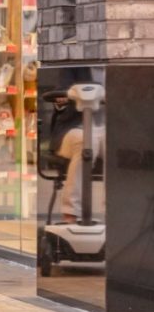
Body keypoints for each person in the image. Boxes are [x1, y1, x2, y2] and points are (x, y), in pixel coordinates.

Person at [50, 95, 105, 223]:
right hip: (75, 129)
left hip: (107, 128)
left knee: (117, 146)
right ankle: (71, 212)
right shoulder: (74, 74)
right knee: (86, 142)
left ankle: (115, 211)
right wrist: (61, 100)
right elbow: (61, 91)